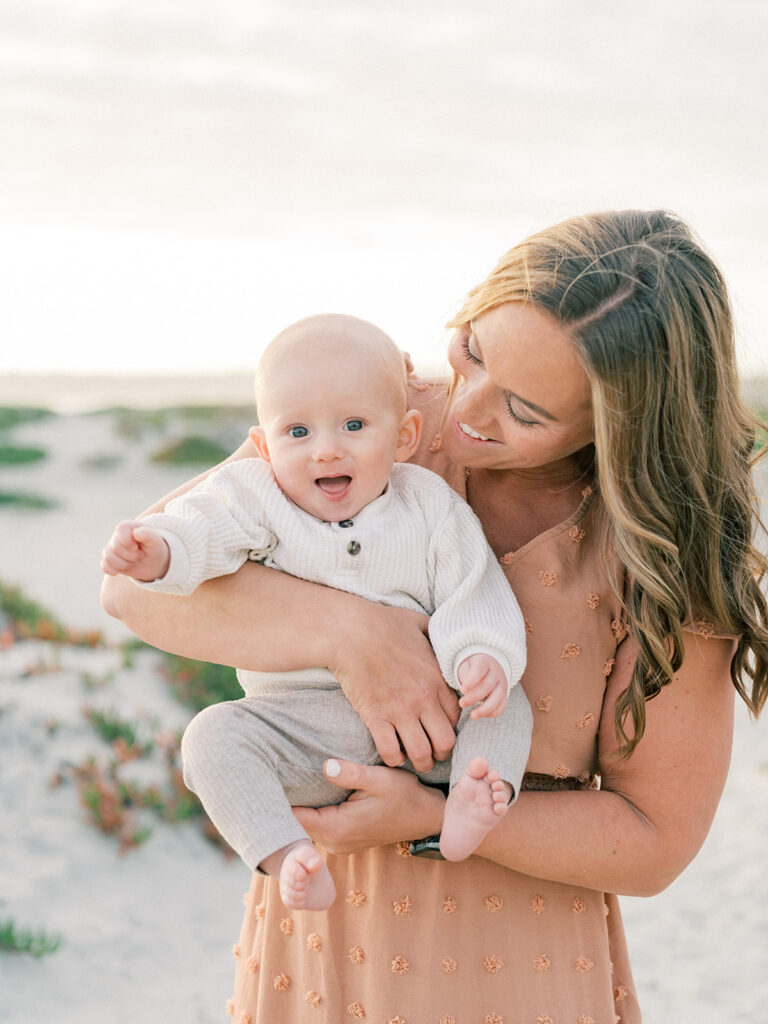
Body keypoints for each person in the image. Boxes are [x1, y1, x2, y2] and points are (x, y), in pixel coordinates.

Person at [101, 209, 768, 1023]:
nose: (468, 410)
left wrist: (433, 818)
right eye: (472, 351)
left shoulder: (665, 555)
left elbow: (656, 839)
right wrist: (354, 636)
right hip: (321, 933)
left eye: (524, 411)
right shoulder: (368, 420)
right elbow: (133, 588)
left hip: (519, 948)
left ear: (617, 428)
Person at [100, 313, 532, 910]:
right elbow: (207, 528)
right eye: (297, 432)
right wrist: (162, 551)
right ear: (262, 446)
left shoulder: (429, 505)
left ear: (404, 436)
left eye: (354, 425)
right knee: (211, 737)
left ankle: (471, 800)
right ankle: (287, 855)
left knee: (507, 700)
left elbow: (473, 589)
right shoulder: (258, 494)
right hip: (301, 733)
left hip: (435, 733)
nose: (326, 449)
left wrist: (480, 655)